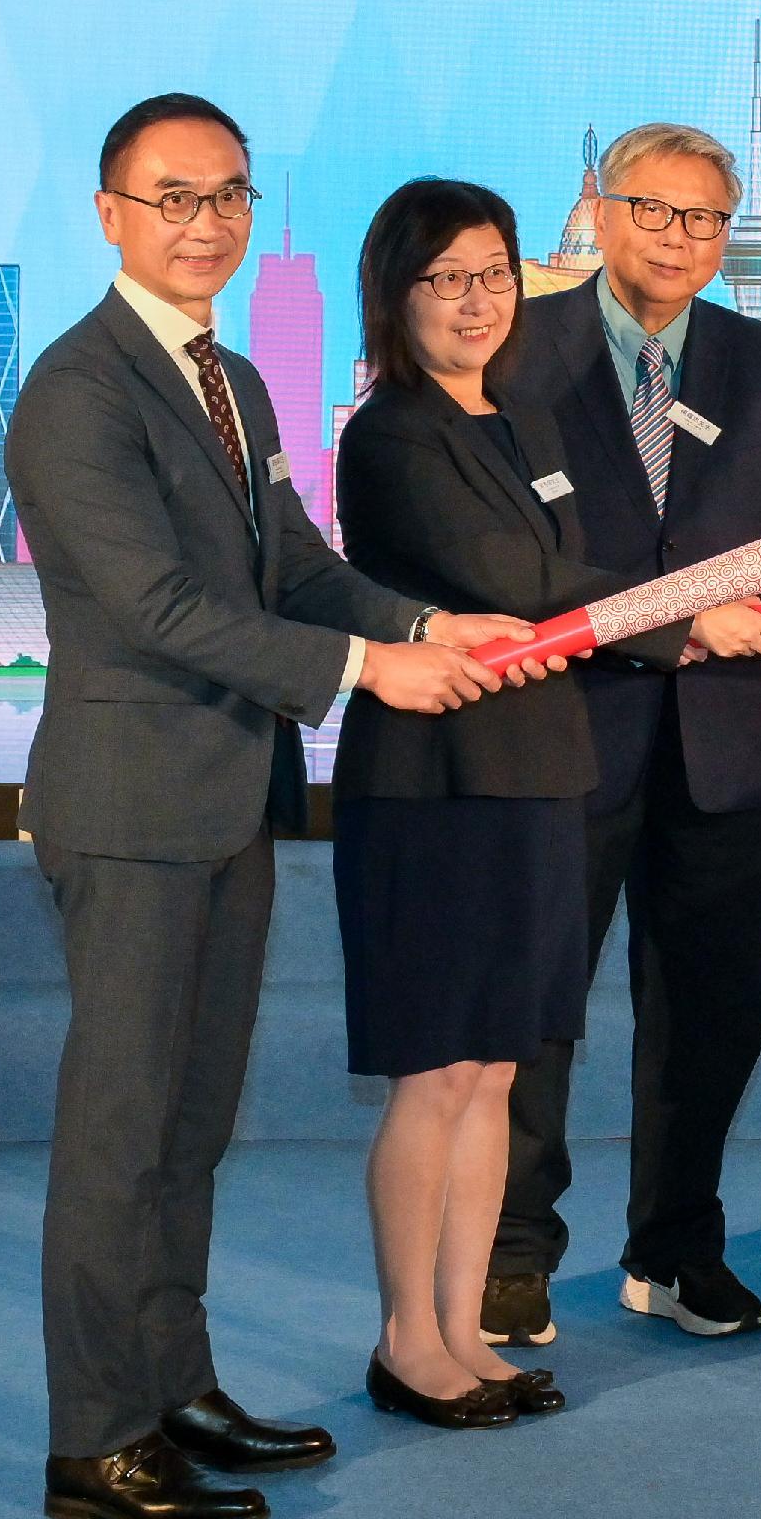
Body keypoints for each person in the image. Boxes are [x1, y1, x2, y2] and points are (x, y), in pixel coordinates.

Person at [12, 94, 511, 1519]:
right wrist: (373, 668)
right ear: (111, 210)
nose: (207, 220)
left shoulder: (229, 376)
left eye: (229, 193)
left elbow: (292, 563)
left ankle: (174, 1385)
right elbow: (163, 608)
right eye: (174, 195)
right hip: (129, 803)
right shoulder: (79, 389)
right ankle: (95, 1439)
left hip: (231, 799)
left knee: (188, 1122)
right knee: (117, 1132)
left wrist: (426, 616)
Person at [484, 123, 761, 1350]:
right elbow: (521, 549)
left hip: (724, 746)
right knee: (540, 1004)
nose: (678, 240)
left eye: (704, 220)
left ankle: (676, 1250)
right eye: (654, 212)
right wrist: (673, 627)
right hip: (567, 730)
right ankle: (515, 1251)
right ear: (604, 216)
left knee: (710, 1009)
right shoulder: (519, 347)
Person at [330, 180, 598, 1431]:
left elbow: (554, 582)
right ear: (397, 295)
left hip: (538, 769)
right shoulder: (386, 436)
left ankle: (464, 1331)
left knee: (495, 1070)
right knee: (436, 1072)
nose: (478, 301)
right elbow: (510, 579)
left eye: (495, 273)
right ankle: (405, 1340)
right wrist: (667, 602)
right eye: (448, 279)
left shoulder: (525, 418)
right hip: (431, 784)